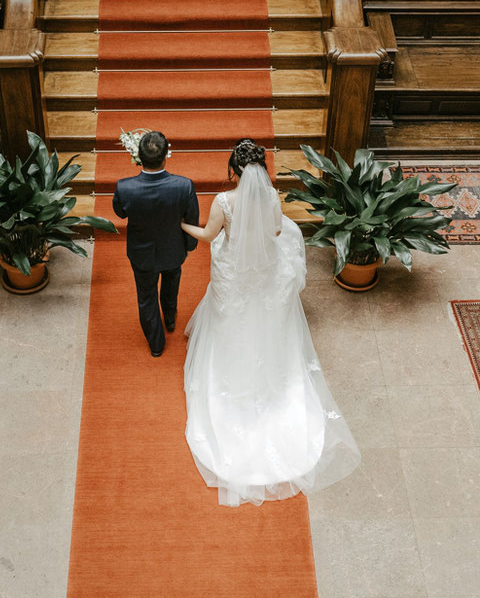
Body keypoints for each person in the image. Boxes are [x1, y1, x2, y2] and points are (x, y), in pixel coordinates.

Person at [180, 138, 360, 507]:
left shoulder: (223, 202)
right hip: (262, 272)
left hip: (236, 274)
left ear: (233, 171)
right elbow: (276, 232)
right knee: (263, 320)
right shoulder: (272, 198)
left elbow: (208, 237)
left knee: (230, 317)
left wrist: (183, 224)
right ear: (262, 171)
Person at [113, 131, 200, 357]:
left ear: (139, 157)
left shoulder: (124, 187)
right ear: (165, 157)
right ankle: (170, 319)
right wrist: (189, 247)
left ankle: (156, 345)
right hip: (173, 249)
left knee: (146, 297)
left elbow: (120, 212)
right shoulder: (184, 186)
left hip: (141, 253)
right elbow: (192, 218)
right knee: (172, 284)